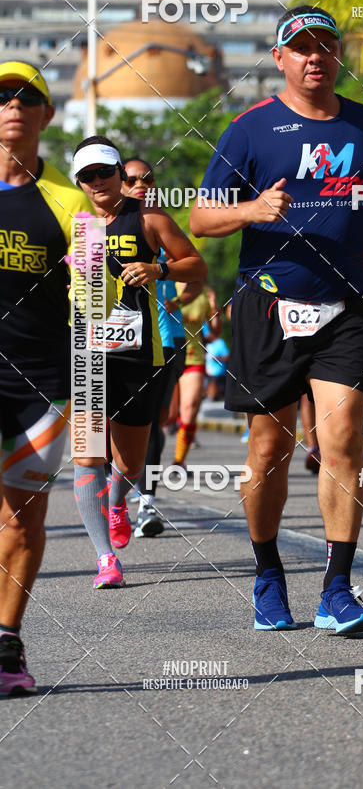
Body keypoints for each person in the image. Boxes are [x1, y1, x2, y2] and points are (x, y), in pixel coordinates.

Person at [190, 5, 363, 633]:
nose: (315, 57)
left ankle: (337, 589)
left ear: (338, 56)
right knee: (268, 449)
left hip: (351, 304)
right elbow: (201, 219)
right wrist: (251, 210)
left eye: (325, 47)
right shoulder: (249, 129)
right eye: (301, 47)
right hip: (269, 302)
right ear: (279, 57)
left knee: (341, 443)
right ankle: (267, 574)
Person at [0, 61, 114, 695]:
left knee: (21, 520)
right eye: (1, 96)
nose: (13, 105)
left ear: (46, 115)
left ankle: (6, 646)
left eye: (27, 96)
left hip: (41, 383)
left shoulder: (73, 204)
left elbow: (94, 304)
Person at [72, 136, 206, 586]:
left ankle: (116, 503)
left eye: (105, 173)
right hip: (86, 358)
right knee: (88, 457)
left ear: (118, 174)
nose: (98, 183)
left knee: (128, 464)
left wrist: (159, 270)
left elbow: (196, 266)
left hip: (138, 356)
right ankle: (105, 559)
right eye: (87, 177)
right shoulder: (72, 222)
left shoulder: (149, 219)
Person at [121, 157, 203, 535]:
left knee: (154, 421)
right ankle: (115, 497)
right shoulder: (98, 224)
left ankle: (147, 504)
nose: (141, 183)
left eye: (148, 178)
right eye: (133, 178)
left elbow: (196, 273)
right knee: (110, 426)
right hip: (112, 342)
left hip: (163, 339)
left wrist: (173, 294)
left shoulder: (160, 224)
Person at [172, 288, 220, 470]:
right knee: (165, 415)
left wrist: (215, 308)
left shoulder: (204, 294)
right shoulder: (166, 282)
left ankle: (178, 461)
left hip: (193, 357)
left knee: (190, 408)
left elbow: (215, 333)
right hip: (165, 355)